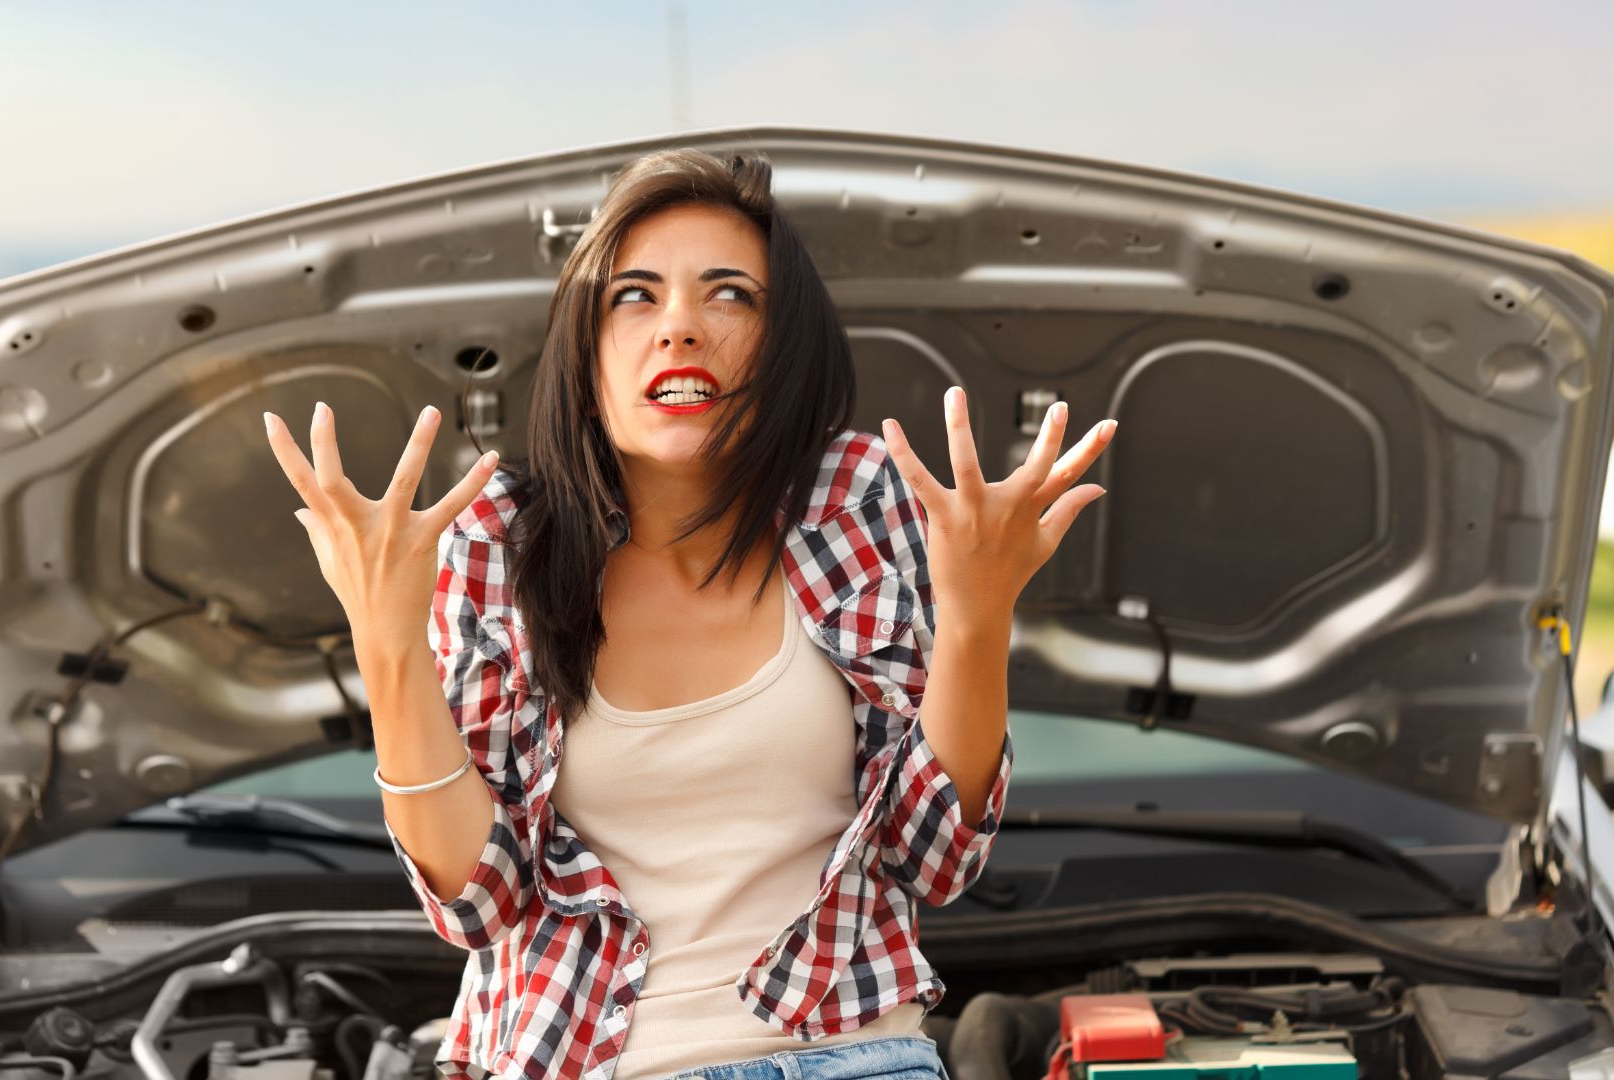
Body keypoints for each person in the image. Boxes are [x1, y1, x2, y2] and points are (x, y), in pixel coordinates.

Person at [263, 148, 1115, 1080]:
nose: (680, 327)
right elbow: (477, 903)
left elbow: (934, 858)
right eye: (634, 295)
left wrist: (978, 614)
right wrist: (385, 642)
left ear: (782, 347)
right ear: (586, 353)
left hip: (847, 1055)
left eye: (730, 295)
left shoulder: (855, 501)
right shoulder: (496, 541)